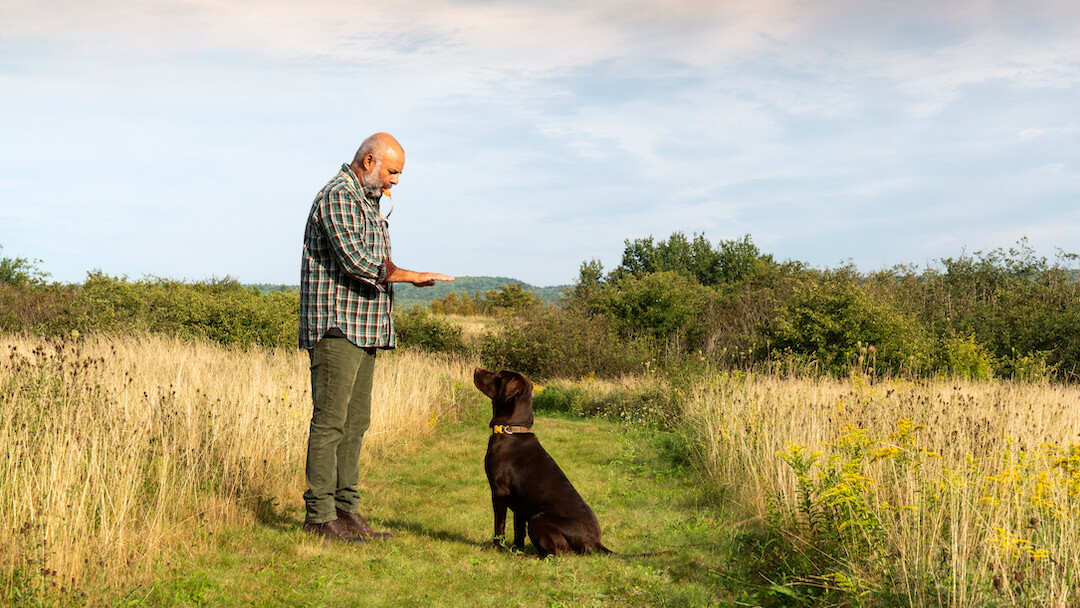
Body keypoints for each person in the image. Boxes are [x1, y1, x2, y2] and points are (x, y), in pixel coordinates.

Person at [298, 132, 453, 543]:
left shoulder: (368, 201)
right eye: (392, 172)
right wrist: (411, 275)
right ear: (369, 161)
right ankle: (319, 517)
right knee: (330, 423)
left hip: (365, 328)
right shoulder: (337, 196)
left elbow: (376, 261)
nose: (395, 182)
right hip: (337, 327)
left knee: (356, 423)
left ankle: (347, 512)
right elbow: (359, 262)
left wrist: (399, 273)